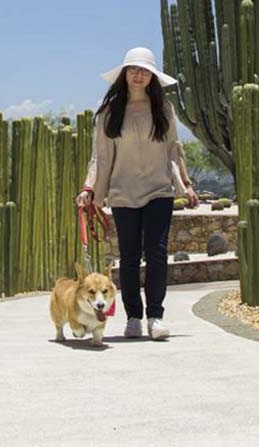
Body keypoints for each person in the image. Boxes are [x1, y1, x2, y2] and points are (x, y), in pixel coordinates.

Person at [76, 46, 196, 341]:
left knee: (156, 253)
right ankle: (133, 318)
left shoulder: (163, 109)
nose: (138, 75)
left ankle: (155, 316)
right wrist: (89, 188)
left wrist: (185, 184)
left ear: (152, 76)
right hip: (122, 192)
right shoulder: (109, 112)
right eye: (133, 69)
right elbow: (100, 157)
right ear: (124, 74)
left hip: (158, 190)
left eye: (144, 70)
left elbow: (173, 149)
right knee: (129, 257)